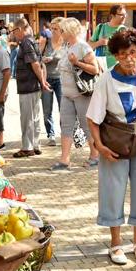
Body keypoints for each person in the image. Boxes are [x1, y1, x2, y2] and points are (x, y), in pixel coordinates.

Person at [87, 28, 136, 265]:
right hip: (113, 146)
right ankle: (116, 244)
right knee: (112, 193)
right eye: (123, 53)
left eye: (134, 52)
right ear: (115, 55)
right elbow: (93, 117)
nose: (129, 58)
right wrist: (99, 146)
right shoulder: (105, 79)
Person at [51, 17, 99, 170]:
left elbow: (95, 69)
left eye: (62, 30)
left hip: (81, 94)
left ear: (70, 31)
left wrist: (77, 63)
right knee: (66, 126)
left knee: (87, 126)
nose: (61, 33)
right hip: (67, 93)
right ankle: (65, 160)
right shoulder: (66, 46)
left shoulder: (83, 47)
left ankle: (95, 156)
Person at [12, 17, 50, 158]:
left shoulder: (26, 42)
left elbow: (35, 63)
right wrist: (42, 81)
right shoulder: (32, 40)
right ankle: (35, 145)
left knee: (27, 117)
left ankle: (27, 148)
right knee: (34, 116)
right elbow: (40, 63)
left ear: (20, 29)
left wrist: (42, 80)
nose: (13, 34)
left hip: (28, 85)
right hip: (33, 85)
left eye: (14, 31)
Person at [41, 17, 65, 146]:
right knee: (47, 109)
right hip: (46, 78)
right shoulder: (46, 41)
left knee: (64, 109)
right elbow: (37, 57)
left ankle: (65, 135)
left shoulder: (66, 43)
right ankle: (51, 135)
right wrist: (43, 59)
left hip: (61, 79)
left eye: (56, 29)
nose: (53, 31)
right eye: (52, 28)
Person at [89, 4, 127, 69]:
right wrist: (99, 43)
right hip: (101, 68)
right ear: (112, 15)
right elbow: (89, 46)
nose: (124, 17)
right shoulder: (100, 27)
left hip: (118, 69)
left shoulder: (124, 30)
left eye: (125, 14)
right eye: (121, 15)